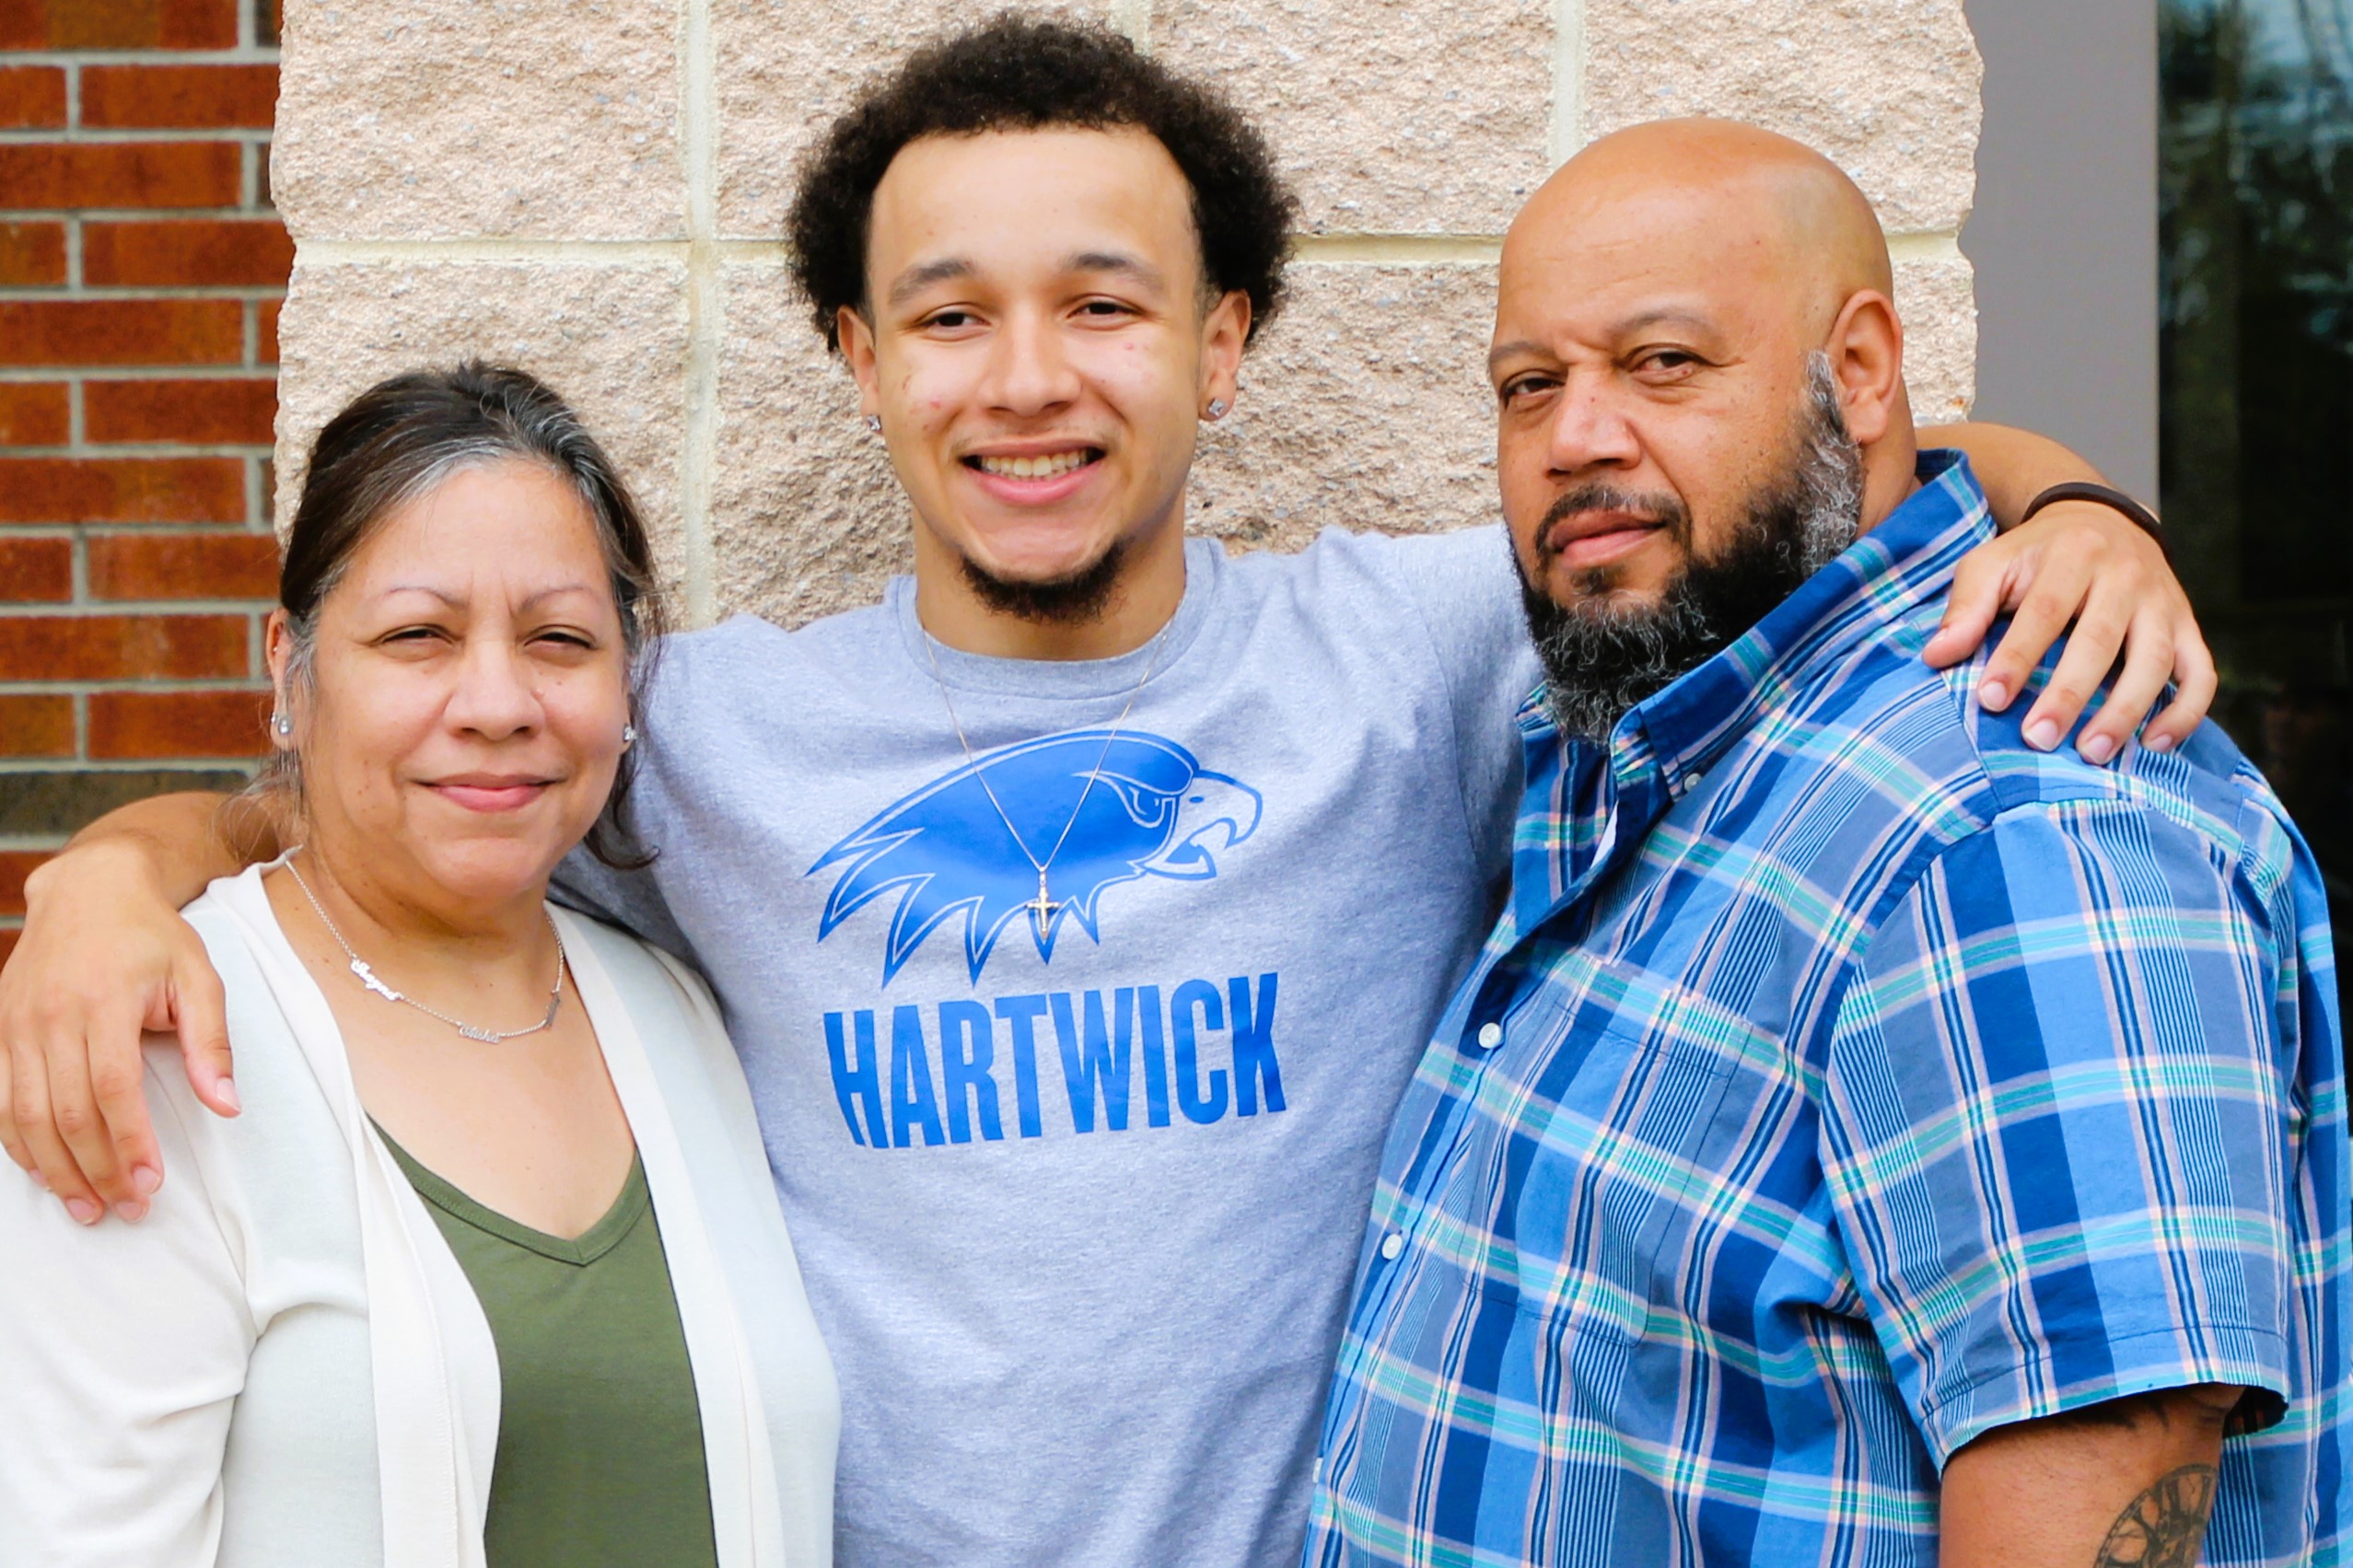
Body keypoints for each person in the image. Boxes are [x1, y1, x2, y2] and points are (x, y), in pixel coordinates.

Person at [0, 18, 2216, 1566]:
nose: (1029, 379)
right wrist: (119, 870)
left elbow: (1846, 471)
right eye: (948, 318)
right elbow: (390, 793)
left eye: (1108, 305)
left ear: (1227, 343)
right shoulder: (695, 729)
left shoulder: (1426, 643)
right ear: (860, 363)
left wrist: (2083, 506)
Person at [1302, 119, 2347, 1567]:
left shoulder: (2019, 830)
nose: (1576, 436)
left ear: (1859, 372)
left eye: (1662, 363)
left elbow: (2103, 1481)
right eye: (1528, 385)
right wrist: (2075, 494)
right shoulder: (1668, 747)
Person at [0, 366, 839, 1568]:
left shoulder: (682, 1011)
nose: (497, 701)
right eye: (417, 636)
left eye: (560, 638)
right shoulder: (158, 1048)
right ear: (289, 672)